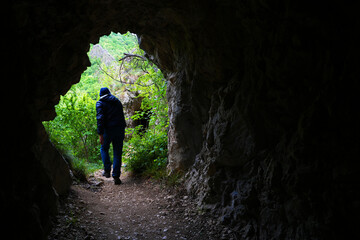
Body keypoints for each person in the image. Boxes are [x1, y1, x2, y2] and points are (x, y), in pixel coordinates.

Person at [96, 87, 126, 185]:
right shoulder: (117, 101)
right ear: (109, 93)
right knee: (117, 152)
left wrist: (100, 134)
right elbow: (122, 116)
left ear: (101, 95)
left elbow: (100, 119)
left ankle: (107, 170)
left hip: (107, 131)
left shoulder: (100, 103)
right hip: (119, 130)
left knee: (104, 149)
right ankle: (116, 176)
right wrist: (123, 130)